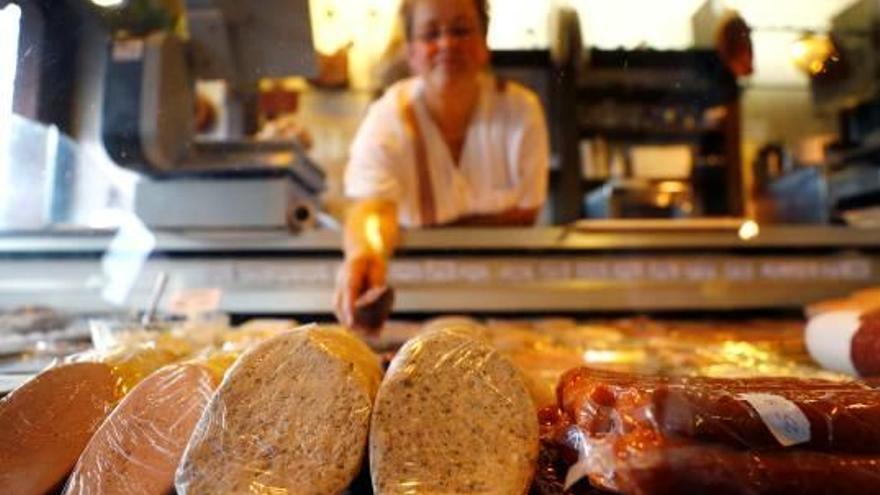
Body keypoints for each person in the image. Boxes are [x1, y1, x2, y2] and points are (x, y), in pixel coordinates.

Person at [334, 0, 550, 330]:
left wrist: (415, 230)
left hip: (508, 303)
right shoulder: (388, 115)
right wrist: (366, 253)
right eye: (431, 33)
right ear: (411, 52)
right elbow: (373, 206)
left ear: (483, 45)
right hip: (413, 303)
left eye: (462, 30)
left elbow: (525, 213)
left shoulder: (521, 110)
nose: (448, 43)